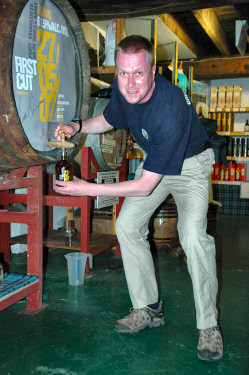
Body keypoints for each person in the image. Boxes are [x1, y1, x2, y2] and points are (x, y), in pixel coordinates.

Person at [54, 35, 223, 362]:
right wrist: (77, 125)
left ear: (152, 70)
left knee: (192, 236)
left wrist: (87, 188)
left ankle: (209, 326)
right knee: (128, 225)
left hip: (191, 164)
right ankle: (149, 308)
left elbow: (144, 186)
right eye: (123, 73)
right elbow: (107, 119)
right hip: (157, 162)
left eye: (138, 73)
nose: (130, 83)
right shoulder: (122, 88)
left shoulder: (169, 106)